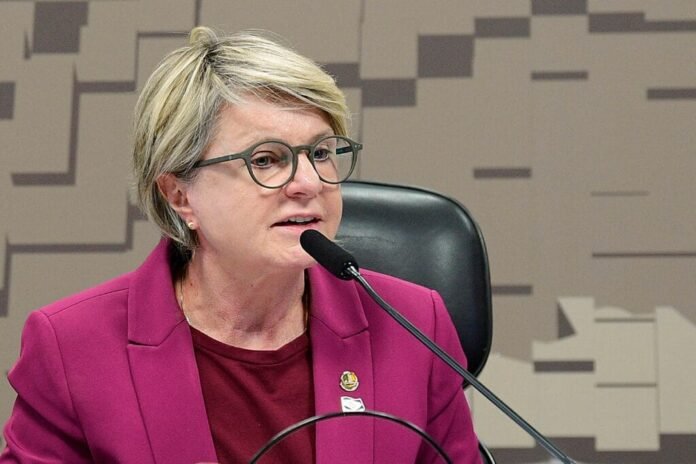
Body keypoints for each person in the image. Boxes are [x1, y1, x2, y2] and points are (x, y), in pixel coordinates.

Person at [0, 27, 481, 463]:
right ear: (180, 195)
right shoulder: (72, 347)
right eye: (266, 160)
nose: (309, 182)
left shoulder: (415, 327)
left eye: (320, 152)